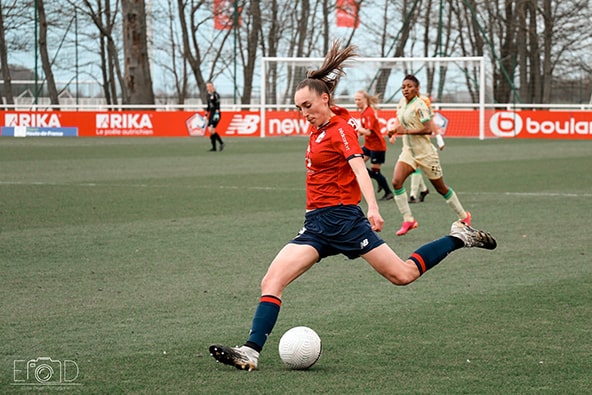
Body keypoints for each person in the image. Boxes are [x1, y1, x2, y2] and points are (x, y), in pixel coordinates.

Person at [208, 41, 496, 372]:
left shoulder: (341, 129)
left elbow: (359, 166)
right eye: (299, 108)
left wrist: (373, 208)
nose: (305, 113)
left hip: (345, 221)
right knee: (271, 280)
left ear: (324, 99)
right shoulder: (319, 127)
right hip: (315, 225)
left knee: (402, 275)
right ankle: (250, 351)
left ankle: (459, 236)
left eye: (308, 105)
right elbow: (331, 124)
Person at [388, 74, 471, 236]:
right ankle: (408, 220)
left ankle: (464, 215)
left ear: (417, 89)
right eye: (403, 86)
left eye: (409, 86)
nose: (405, 89)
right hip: (408, 152)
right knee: (396, 182)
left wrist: (405, 131)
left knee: (441, 188)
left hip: (426, 154)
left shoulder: (420, 105)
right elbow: (400, 122)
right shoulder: (401, 104)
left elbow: (428, 129)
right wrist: (394, 131)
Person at [354, 90, 393, 201]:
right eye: (355, 99)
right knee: (357, 162)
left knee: (374, 172)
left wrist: (357, 129)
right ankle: (379, 180)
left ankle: (388, 192)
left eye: (359, 99)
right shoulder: (363, 112)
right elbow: (364, 131)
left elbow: (369, 132)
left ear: (365, 100)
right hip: (368, 145)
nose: (357, 102)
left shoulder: (369, 113)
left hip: (377, 146)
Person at [205, 81, 225, 152]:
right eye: (207, 86)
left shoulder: (216, 95)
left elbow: (217, 105)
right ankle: (215, 147)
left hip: (216, 114)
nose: (208, 88)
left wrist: (217, 113)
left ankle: (221, 143)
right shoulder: (208, 95)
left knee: (211, 129)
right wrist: (206, 114)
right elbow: (208, 106)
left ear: (213, 86)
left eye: (210, 86)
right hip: (211, 114)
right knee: (210, 131)